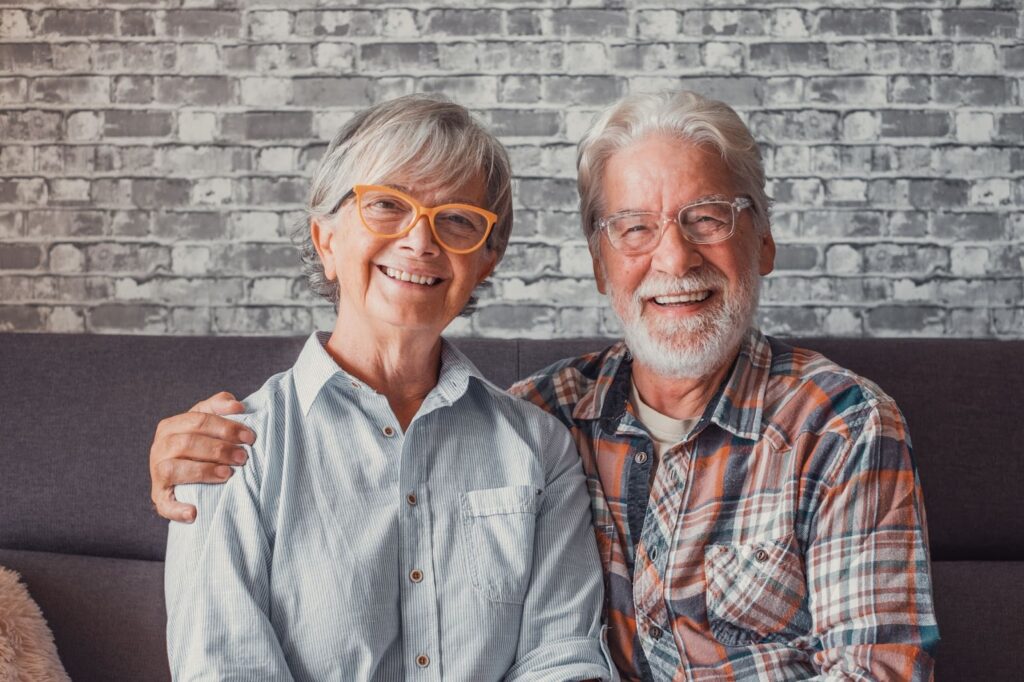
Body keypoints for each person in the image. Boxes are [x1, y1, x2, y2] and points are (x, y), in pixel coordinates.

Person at [152, 90, 938, 680]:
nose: (672, 259)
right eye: (634, 227)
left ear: (763, 241)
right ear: (323, 238)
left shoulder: (835, 424)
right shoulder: (231, 450)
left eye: (706, 219)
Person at [161, 94, 614, 681]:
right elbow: (223, 670)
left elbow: (559, 658)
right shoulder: (228, 450)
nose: (419, 241)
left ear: (486, 260)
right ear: (326, 241)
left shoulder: (541, 450)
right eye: (386, 206)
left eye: (456, 219)